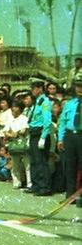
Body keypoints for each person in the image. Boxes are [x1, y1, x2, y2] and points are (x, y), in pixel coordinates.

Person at [57, 73, 82, 207]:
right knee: (70, 167)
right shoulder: (69, 104)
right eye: (78, 86)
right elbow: (62, 122)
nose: (80, 89)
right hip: (70, 136)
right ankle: (70, 196)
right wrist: (60, 138)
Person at [27, 81, 53, 196]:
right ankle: (36, 185)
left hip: (40, 133)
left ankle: (44, 187)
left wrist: (43, 137)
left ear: (40, 89)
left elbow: (47, 121)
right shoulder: (37, 101)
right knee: (34, 161)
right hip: (33, 133)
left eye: (34, 88)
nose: (32, 90)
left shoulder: (45, 102)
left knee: (40, 161)